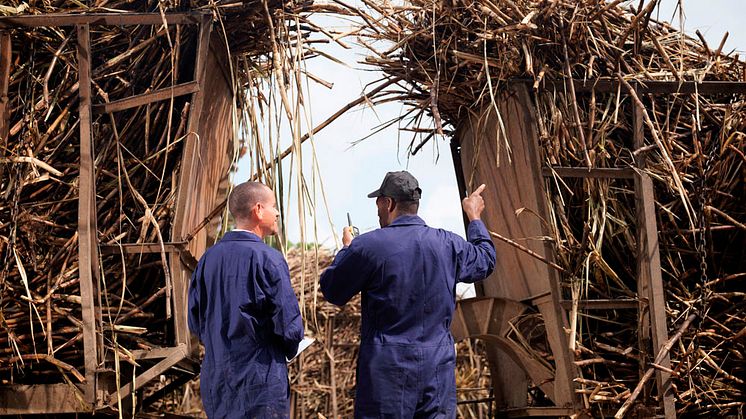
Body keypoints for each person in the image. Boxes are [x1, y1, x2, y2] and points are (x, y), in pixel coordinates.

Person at [320, 171, 496, 418]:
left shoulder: (369, 246)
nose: (377, 212)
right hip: (437, 370)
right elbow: (486, 260)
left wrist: (347, 250)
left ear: (388, 203)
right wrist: (474, 217)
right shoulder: (448, 244)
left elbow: (333, 290)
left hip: (387, 372)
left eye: (378, 204)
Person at [188, 181, 303, 419]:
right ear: (259, 210)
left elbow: (195, 321)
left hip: (218, 378)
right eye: (274, 207)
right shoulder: (268, 259)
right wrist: (288, 347)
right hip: (260, 380)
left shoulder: (208, 259)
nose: (278, 213)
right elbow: (288, 325)